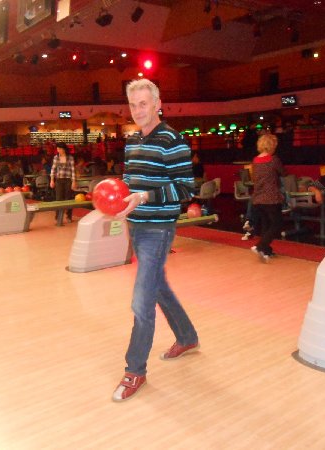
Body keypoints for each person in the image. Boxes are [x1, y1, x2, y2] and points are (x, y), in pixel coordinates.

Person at [112, 79, 198, 402]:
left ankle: (135, 370)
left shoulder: (173, 141)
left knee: (142, 300)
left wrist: (145, 196)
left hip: (158, 230)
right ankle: (187, 336)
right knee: (157, 286)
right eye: (133, 105)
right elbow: (129, 180)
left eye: (144, 104)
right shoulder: (133, 141)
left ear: (158, 104)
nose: (138, 110)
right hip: (136, 226)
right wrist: (120, 199)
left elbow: (185, 188)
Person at [250, 133, 287, 262]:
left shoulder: (255, 160)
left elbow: (255, 178)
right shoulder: (273, 159)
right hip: (271, 198)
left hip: (258, 198)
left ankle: (266, 251)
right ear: (272, 145)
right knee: (277, 224)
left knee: (266, 225)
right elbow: (283, 173)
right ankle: (260, 246)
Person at [50, 142, 77, 222]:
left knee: (68, 198)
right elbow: (53, 169)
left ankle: (69, 216)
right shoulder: (56, 157)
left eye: (59, 149)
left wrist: (74, 181)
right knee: (58, 199)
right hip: (59, 179)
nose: (58, 150)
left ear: (64, 149)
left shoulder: (70, 157)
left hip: (68, 180)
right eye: (57, 149)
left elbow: (73, 170)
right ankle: (58, 217)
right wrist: (52, 180)